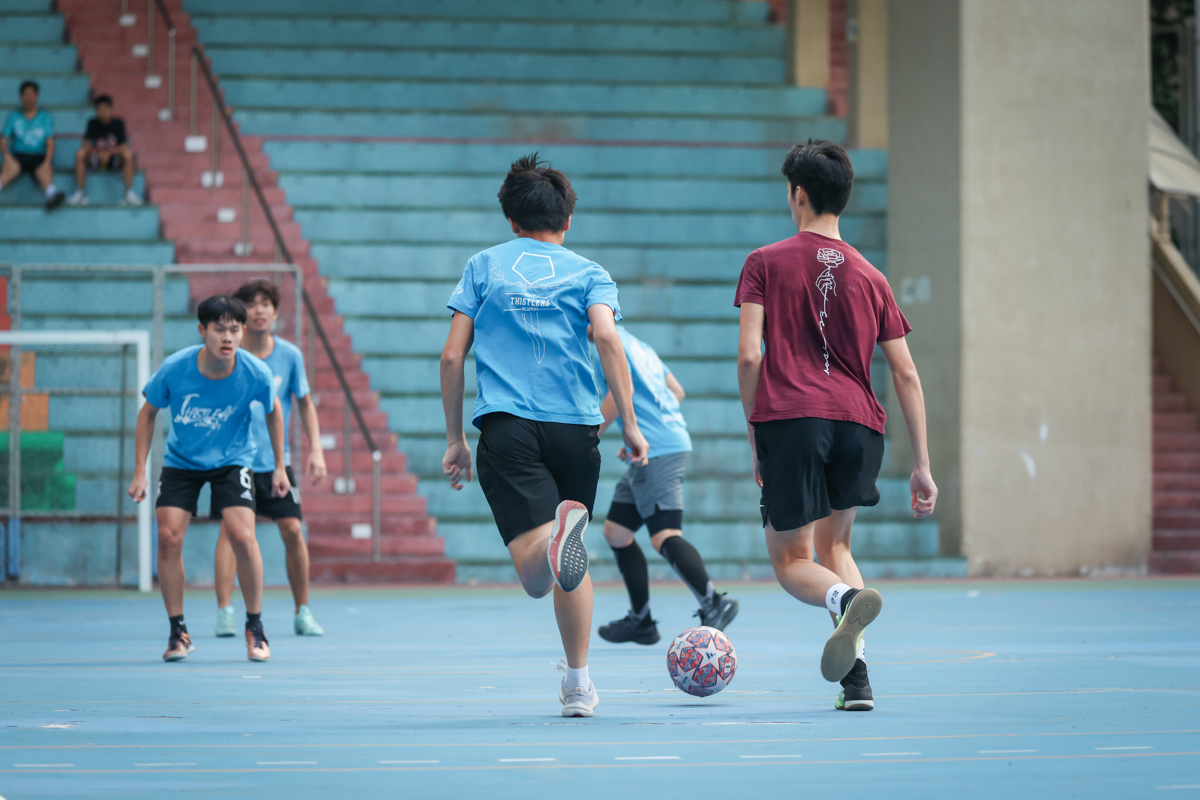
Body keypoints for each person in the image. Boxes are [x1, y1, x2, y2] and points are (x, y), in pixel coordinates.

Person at [440, 153, 649, 718]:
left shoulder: (484, 266)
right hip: (577, 430)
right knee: (569, 565)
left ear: (511, 219)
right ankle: (578, 685)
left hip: (509, 425)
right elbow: (607, 339)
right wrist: (630, 423)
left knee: (537, 577)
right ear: (568, 220)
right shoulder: (590, 273)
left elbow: (452, 355)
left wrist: (456, 437)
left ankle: (555, 539)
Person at [735, 140, 937, 712]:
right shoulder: (873, 277)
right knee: (836, 544)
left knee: (793, 562)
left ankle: (846, 600)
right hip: (859, 425)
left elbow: (750, 357)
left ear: (797, 194)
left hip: (794, 418)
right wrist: (922, 465)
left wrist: (756, 432)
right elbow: (905, 372)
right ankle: (858, 681)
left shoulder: (765, 262)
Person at [128, 295, 291, 664]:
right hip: (182, 461)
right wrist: (140, 470)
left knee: (243, 536)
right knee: (168, 537)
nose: (227, 337)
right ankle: (178, 632)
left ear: (243, 331)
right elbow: (147, 413)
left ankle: (255, 627)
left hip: (233, 460)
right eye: (219, 329)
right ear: (202, 331)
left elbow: (273, 409)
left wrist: (280, 465)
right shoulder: (175, 369)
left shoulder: (254, 372)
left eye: (234, 329)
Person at [590, 324, 739, 645]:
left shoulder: (606, 341)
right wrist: (642, 430)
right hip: (657, 445)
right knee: (616, 532)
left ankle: (714, 602)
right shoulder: (640, 346)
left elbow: (621, 391)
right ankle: (641, 621)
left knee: (664, 536)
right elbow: (677, 392)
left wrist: (590, 436)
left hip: (659, 450)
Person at [212, 279, 327, 638]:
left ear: (276, 313)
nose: (259, 310)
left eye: (266, 303)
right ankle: (224, 611)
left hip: (277, 462)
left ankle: (302, 611)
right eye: (251, 303)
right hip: (234, 461)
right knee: (230, 533)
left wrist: (316, 449)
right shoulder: (227, 354)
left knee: (292, 530)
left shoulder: (290, 356)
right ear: (241, 314)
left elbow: (304, 403)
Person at [67, 94, 141, 207]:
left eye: (105, 109)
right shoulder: (92, 123)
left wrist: (109, 153)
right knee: (80, 153)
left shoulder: (118, 123)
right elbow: (85, 144)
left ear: (112, 109)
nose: (103, 113)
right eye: (100, 110)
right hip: (96, 159)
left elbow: (123, 145)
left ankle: (129, 193)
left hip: (114, 159)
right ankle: (80, 193)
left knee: (128, 154)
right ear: (96, 111)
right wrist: (98, 153)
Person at [0, 80, 64, 210]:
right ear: (21, 97)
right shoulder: (13, 117)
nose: (28, 98)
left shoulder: (45, 117)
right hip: (18, 155)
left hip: (38, 155)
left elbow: (50, 142)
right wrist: (7, 156)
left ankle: (52, 196)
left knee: (44, 169)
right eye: (25, 94)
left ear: (36, 96)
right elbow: (3, 139)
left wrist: (47, 161)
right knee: (9, 169)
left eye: (31, 94)